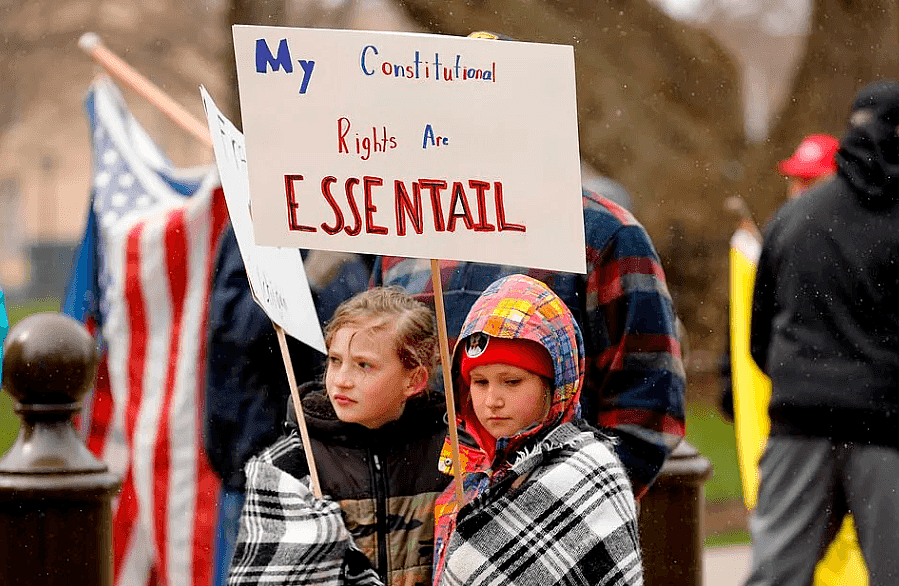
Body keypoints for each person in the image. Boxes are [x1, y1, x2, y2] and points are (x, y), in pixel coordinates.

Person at [374, 185, 685, 499]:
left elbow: (645, 410)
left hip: (551, 527)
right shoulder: (408, 229)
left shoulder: (603, 233)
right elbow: (369, 366)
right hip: (411, 522)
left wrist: (560, 516)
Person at [744, 80, 899, 586]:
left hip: (801, 420)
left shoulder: (793, 218)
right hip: (887, 426)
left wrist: (805, 380)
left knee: (777, 575)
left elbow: (759, 340)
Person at [227, 286, 451, 586]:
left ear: (414, 380)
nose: (342, 380)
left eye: (363, 365)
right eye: (335, 360)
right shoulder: (293, 462)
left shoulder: (453, 455)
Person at [431, 274, 642, 586]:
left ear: (555, 383)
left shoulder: (588, 473)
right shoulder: (464, 475)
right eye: (479, 382)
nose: (492, 400)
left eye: (512, 381)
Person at [204, 224, 372, 586]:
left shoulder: (351, 220)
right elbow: (237, 331)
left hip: (343, 471)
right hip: (268, 467)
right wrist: (306, 282)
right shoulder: (255, 221)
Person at [718, 133, 839, 422]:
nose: (800, 190)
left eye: (811, 181)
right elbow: (750, 318)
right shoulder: (780, 238)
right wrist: (732, 381)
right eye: (797, 180)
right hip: (787, 408)